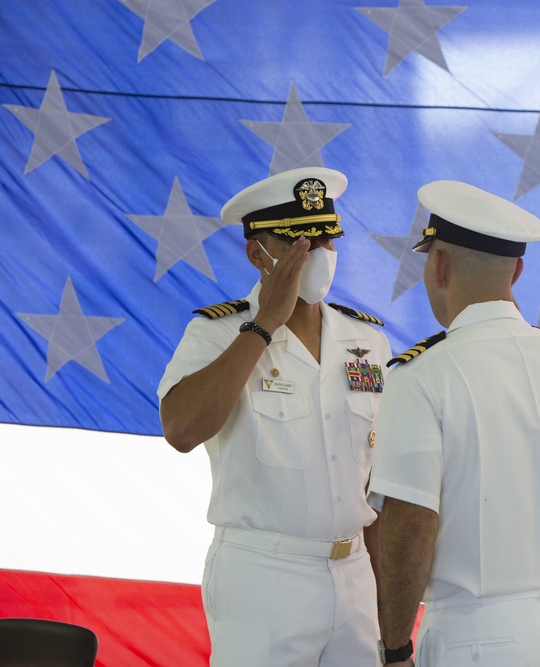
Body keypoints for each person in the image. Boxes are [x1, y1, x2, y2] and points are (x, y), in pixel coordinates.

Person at [368, 180, 540, 667]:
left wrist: (394, 647)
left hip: (478, 636)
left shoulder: (422, 375)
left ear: (438, 266)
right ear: (516, 271)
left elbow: (411, 524)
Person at [157, 167, 391, 666]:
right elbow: (180, 430)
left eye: (327, 239)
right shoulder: (216, 334)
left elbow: (377, 482)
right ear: (256, 254)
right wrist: (265, 324)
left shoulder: (366, 340)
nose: (317, 254)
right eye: (297, 242)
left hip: (355, 574)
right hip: (264, 575)